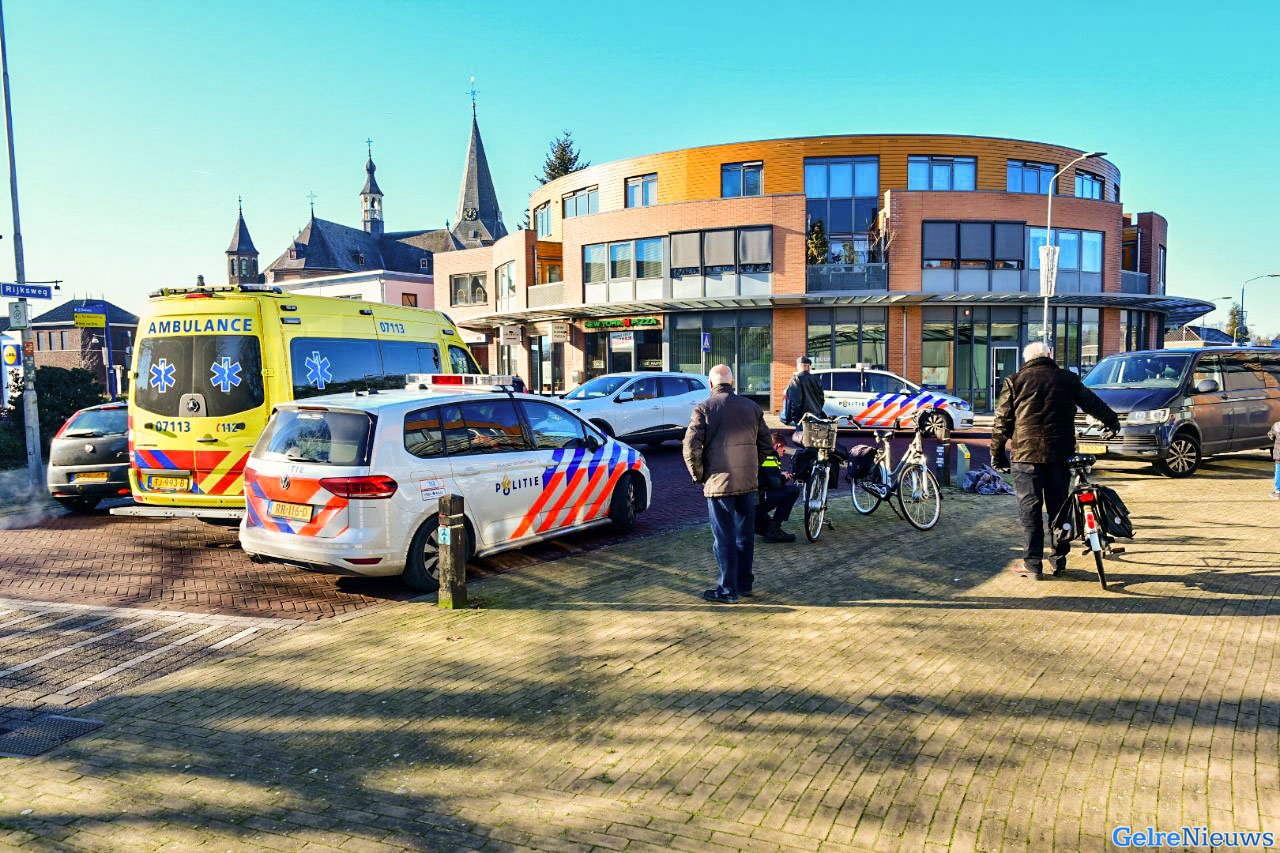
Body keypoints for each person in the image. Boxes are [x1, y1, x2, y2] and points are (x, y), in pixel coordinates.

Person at [990, 341, 1121, 580]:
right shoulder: (1067, 379)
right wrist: (1112, 421)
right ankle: (1058, 561)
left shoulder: (1014, 381)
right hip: (1060, 454)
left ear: (1026, 359)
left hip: (1026, 455)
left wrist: (997, 455)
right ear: (1049, 355)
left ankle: (1033, 565)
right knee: (1058, 510)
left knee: (1029, 511)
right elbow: (1092, 403)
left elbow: (1001, 422)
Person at [684, 364, 774, 603]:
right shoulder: (752, 407)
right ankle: (744, 584)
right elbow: (766, 446)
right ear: (732, 383)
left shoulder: (704, 409)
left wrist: (699, 475)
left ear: (711, 384)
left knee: (724, 538)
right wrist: (752, 468)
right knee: (745, 536)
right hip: (747, 483)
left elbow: (690, 448)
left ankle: (727, 590)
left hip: (719, 483)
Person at [756, 435, 800, 543]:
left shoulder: (760, 453)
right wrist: (784, 477)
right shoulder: (771, 456)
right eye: (783, 449)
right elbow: (776, 483)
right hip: (759, 500)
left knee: (765, 530)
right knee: (793, 491)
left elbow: (766, 475)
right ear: (778, 445)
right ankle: (775, 528)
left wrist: (779, 474)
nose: (783, 452)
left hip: (751, 502)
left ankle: (771, 529)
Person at [783, 356, 825, 426]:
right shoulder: (817, 379)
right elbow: (822, 399)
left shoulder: (796, 380)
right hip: (816, 416)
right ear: (808, 367)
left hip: (803, 418)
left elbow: (796, 402)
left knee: (803, 436)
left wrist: (795, 417)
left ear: (799, 366)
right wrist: (817, 412)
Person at [1268, 419, 1280, 499]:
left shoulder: (1277, 425)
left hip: (1279, 453)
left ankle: (1278, 491)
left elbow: (1271, 435)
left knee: (1278, 471)